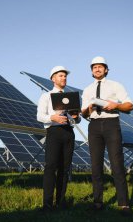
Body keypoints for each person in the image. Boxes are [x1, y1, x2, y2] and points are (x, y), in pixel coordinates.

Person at [81, 56, 133, 216]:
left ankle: (123, 204)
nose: (97, 69)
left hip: (111, 124)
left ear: (106, 69)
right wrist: (87, 109)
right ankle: (98, 202)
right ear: (91, 70)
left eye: (100, 66)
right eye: (94, 67)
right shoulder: (87, 90)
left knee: (117, 164)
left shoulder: (116, 85)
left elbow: (129, 105)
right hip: (94, 125)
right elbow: (83, 114)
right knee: (96, 166)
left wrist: (116, 105)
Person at [37, 65, 79, 211]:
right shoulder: (46, 96)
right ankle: (47, 204)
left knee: (65, 169)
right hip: (54, 132)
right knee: (50, 167)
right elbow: (39, 116)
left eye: (65, 75)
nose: (64, 78)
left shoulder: (71, 99)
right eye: (60, 75)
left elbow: (76, 121)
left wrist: (75, 117)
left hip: (68, 133)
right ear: (53, 78)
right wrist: (53, 117)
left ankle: (60, 202)